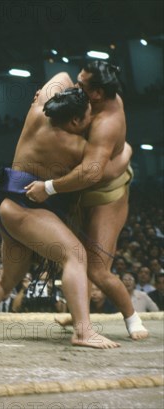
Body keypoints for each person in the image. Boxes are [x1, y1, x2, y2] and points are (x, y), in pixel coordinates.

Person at [0, 72, 120, 349]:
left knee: (9, 278)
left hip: (8, 206)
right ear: (76, 121)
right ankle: (82, 331)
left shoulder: (38, 110)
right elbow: (102, 172)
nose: (93, 120)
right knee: (75, 254)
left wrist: (73, 88)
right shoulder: (74, 145)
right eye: (89, 116)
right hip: (26, 209)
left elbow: (63, 75)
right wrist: (125, 151)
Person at [25, 61, 148, 340]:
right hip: (82, 189)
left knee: (97, 269)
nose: (75, 86)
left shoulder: (107, 123)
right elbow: (62, 77)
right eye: (78, 81)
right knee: (74, 256)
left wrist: (49, 187)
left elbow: (93, 173)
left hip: (107, 193)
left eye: (82, 85)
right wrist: (43, 92)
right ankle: (80, 315)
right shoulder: (89, 96)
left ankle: (132, 318)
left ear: (98, 95)